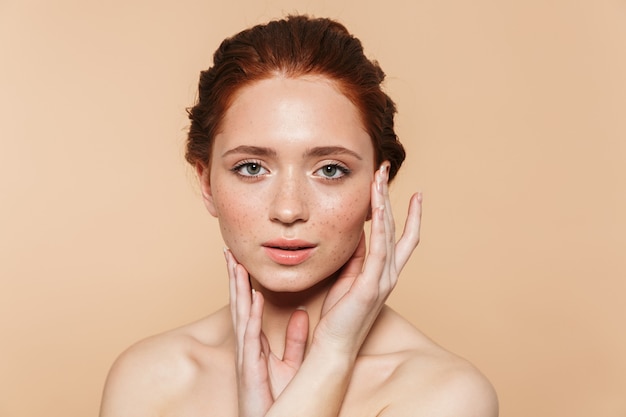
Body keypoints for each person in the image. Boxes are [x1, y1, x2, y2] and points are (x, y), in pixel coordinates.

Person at [99, 15, 498, 417]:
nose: (289, 210)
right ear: (207, 183)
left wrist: (333, 354)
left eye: (330, 169)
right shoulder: (148, 380)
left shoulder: (446, 395)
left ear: (379, 186)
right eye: (252, 167)